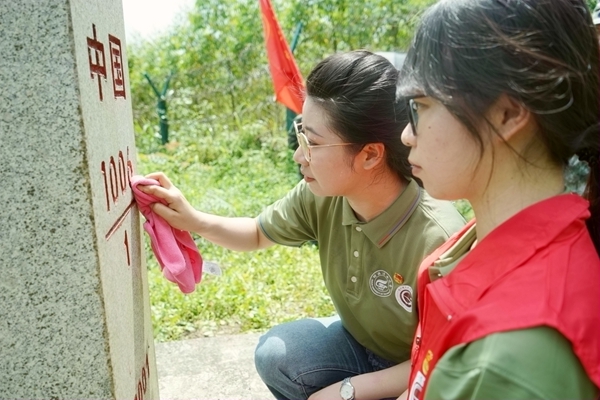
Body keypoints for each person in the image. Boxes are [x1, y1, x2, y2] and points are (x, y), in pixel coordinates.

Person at [138, 50, 466, 400]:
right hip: (360, 347)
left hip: (424, 370)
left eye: (313, 142)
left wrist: (346, 391)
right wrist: (193, 218)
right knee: (279, 356)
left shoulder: (438, 239)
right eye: (301, 134)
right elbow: (257, 233)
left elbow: (443, 362)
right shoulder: (323, 195)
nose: (299, 155)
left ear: (370, 154)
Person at [396, 0, 600, 398]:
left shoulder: (508, 358)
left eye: (420, 107)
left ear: (507, 114)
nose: (406, 134)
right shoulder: (482, 239)